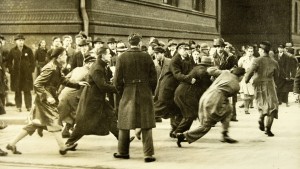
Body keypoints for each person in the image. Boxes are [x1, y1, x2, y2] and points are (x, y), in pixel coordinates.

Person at [6, 47, 88, 155]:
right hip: (45, 100)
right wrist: (48, 96)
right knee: (54, 120)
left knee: (35, 124)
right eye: (65, 55)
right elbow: (37, 84)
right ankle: (62, 147)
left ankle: (11, 144)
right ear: (59, 57)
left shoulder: (56, 66)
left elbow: (62, 79)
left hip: (47, 99)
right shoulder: (50, 67)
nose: (66, 56)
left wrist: (77, 84)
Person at [65, 47, 125, 147]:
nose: (110, 56)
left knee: (110, 115)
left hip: (97, 98)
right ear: (102, 55)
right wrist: (118, 89)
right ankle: (68, 143)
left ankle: (122, 139)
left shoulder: (102, 65)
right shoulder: (97, 68)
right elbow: (102, 86)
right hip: (92, 100)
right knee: (83, 124)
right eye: (108, 54)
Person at [114, 33, 157, 163]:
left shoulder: (122, 57)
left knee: (124, 122)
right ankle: (148, 154)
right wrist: (151, 91)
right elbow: (153, 78)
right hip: (144, 91)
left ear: (129, 43)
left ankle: (123, 152)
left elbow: (116, 80)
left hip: (128, 90)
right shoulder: (147, 57)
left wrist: (122, 92)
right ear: (140, 43)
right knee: (146, 123)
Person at [176, 67, 245, 147]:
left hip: (206, 96)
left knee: (228, 110)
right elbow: (227, 95)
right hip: (215, 100)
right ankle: (183, 136)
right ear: (241, 76)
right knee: (206, 125)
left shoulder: (225, 73)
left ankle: (225, 134)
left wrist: (223, 71)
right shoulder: (236, 85)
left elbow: (209, 70)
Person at [244, 41, 279, 137]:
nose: (258, 51)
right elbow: (277, 76)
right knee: (272, 106)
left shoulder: (257, 60)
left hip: (258, 84)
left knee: (261, 103)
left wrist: (246, 80)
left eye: (259, 49)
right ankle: (268, 129)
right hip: (270, 84)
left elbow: (250, 72)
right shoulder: (274, 62)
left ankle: (261, 117)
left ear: (262, 50)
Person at [58, 55, 96, 138]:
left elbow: (65, 79)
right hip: (74, 96)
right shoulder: (89, 72)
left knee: (64, 113)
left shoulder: (76, 69)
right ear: (89, 63)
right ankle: (69, 133)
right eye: (94, 63)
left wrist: (59, 92)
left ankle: (65, 131)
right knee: (78, 113)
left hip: (64, 93)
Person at [173, 57, 213, 135]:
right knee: (190, 115)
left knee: (186, 114)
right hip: (186, 94)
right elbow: (202, 74)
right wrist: (209, 74)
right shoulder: (202, 69)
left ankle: (177, 131)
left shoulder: (197, 68)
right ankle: (178, 132)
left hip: (182, 92)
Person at [7, 34, 35, 112]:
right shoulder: (13, 50)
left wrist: (30, 70)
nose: (21, 42)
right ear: (16, 41)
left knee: (27, 90)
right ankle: (18, 106)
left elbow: (33, 61)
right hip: (16, 74)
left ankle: (28, 106)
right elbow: (8, 62)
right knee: (17, 90)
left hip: (26, 74)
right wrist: (11, 70)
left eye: (22, 40)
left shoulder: (28, 50)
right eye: (19, 40)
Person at [238, 45, 255, 114]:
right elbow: (239, 67)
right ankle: (246, 109)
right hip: (245, 77)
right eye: (249, 51)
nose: (250, 53)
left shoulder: (255, 59)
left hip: (252, 78)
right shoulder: (242, 59)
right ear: (246, 51)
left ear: (253, 52)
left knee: (252, 94)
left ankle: (245, 103)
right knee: (245, 93)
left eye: (251, 51)